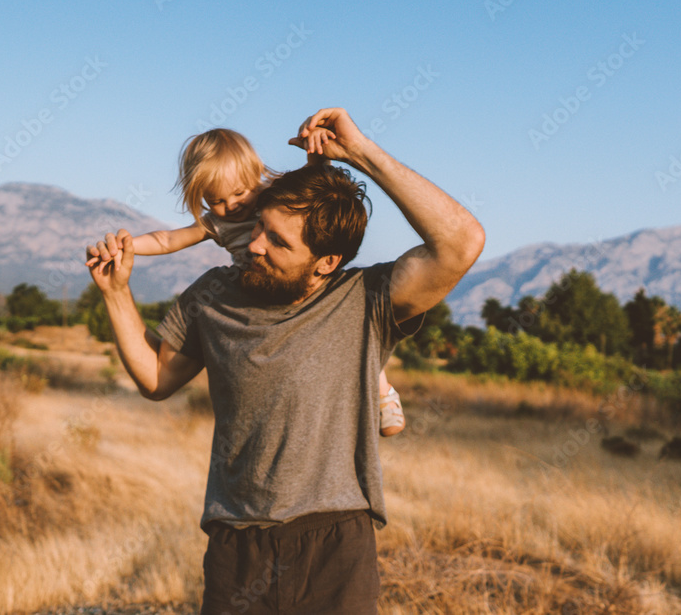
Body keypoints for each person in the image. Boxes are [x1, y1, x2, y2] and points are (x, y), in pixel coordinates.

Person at [87, 107, 484, 613]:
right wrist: (117, 294)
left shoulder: (364, 299)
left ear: (326, 262)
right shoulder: (210, 297)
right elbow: (155, 379)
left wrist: (359, 153)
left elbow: (461, 242)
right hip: (237, 546)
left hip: (336, 545)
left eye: (276, 240)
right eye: (259, 228)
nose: (253, 243)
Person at [86, 126, 406, 436]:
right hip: (260, 290)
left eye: (240, 192)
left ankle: (381, 390)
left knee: (353, 335)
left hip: (309, 284)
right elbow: (168, 239)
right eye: (218, 201)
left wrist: (317, 153)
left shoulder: (275, 195)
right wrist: (128, 246)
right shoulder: (216, 224)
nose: (233, 206)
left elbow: (317, 186)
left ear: (256, 174)